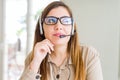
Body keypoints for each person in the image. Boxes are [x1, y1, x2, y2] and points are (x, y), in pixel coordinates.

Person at [19, 1, 103, 80]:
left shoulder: (88, 55)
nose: (58, 26)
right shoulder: (34, 57)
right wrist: (36, 62)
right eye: (51, 20)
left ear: (72, 27)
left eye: (65, 21)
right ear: (42, 28)